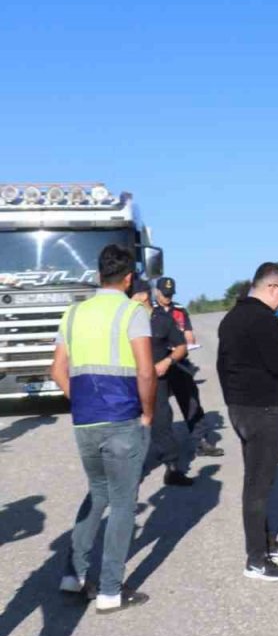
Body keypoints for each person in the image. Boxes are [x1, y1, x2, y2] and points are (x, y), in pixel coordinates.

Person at [49, 244, 156, 613]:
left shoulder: (73, 313)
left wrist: (78, 400)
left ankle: (74, 573)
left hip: (85, 421)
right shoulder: (132, 312)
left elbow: (57, 370)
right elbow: (145, 370)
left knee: (97, 493)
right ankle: (111, 590)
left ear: (98, 276)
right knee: (123, 503)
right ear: (128, 279)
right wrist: (148, 413)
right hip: (123, 419)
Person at [216, 262, 278, 583]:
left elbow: (223, 367)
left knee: (258, 482)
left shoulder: (232, 317)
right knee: (258, 487)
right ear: (272, 287)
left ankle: (268, 545)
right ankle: (256, 559)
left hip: (241, 409)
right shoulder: (262, 319)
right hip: (263, 412)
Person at [132, 278, 195, 486]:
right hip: (130, 379)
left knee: (162, 421)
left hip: (156, 380)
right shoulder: (126, 319)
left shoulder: (162, 319)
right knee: (129, 424)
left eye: (131, 295)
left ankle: (173, 468)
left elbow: (181, 346)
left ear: (143, 296)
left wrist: (167, 361)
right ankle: (132, 469)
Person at [155, 276, 222, 457]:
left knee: (192, 401)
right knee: (160, 410)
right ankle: (163, 448)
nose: (167, 298)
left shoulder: (179, 311)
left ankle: (201, 441)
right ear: (157, 292)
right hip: (158, 365)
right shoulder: (149, 311)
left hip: (179, 363)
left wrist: (183, 341)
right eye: (164, 294)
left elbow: (189, 336)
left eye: (170, 294)